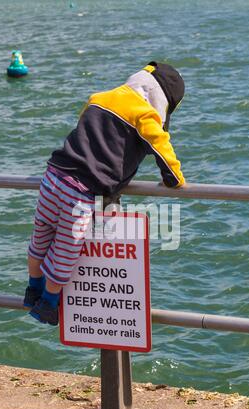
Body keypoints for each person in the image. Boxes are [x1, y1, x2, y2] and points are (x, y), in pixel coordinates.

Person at [24, 61, 186, 326]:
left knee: (41, 236)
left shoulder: (99, 98)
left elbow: (85, 132)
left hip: (53, 176)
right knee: (66, 250)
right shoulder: (144, 114)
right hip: (79, 191)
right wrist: (175, 178)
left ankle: (33, 289)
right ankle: (49, 304)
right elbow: (162, 148)